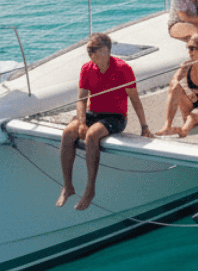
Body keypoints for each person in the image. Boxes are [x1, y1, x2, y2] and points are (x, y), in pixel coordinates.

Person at [56, 32, 152, 211]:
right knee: (68, 132)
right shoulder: (86, 69)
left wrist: (144, 127)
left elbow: (135, 100)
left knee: (92, 135)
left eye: (93, 50)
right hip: (94, 113)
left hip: (115, 116)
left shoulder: (123, 69)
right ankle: (67, 186)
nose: (90, 54)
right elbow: (81, 100)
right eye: (88, 50)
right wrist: (82, 122)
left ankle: (90, 189)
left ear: (107, 50)